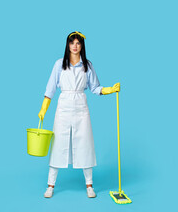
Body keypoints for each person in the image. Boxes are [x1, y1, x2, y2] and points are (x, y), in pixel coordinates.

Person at [38, 31, 120, 198]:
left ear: (82, 46)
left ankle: (89, 185)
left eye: (78, 43)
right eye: (72, 43)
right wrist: (43, 109)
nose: (75, 46)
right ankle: (50, 185)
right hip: (63, 107)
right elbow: (50, 89)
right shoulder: (59, 64)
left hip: (81, 108)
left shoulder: (87, 66)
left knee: (85, 144)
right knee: (57, 145)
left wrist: (110, 89)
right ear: (67, 45)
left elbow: (95, 88)